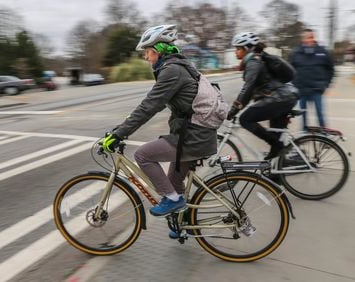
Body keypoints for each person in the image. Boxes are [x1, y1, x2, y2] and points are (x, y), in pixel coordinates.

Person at [101, 25, 217, 217]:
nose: (146, 58)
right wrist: (120, 129)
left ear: (157, 51)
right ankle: (184, 224)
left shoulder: (172, 71)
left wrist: (119, 134)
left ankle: (173, 200)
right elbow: (151, 106)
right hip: (196, 134)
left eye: (147, 52)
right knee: (173, 183)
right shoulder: (178, 66)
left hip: (193, 138)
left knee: (143, 155)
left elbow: (149, 106)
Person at [227, 32, 299, 160]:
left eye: (238, 48)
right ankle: (275, 175)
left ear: (247, 48)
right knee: (276, 145)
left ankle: (277, 146)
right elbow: (251, 90)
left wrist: (234, 110)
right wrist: (238, 107)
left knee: (245, 119)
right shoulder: (258, 59)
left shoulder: (253, 62)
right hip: (284, 97)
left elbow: (247, 89)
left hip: (280, 98)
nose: (235, 52)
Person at [290, 28, 334, 129]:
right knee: (303, 115)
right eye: (306, 37)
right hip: (301, 91)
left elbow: (330, 69)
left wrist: (326, 84)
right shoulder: (296, 52)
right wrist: (294, 84)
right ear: (302, 39)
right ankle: (304, 134)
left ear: (314, 38)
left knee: (320, 115)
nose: (309, 40)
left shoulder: (322, 52)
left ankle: (324, 134)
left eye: (311, 37)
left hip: (317, 90)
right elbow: (290, 70)